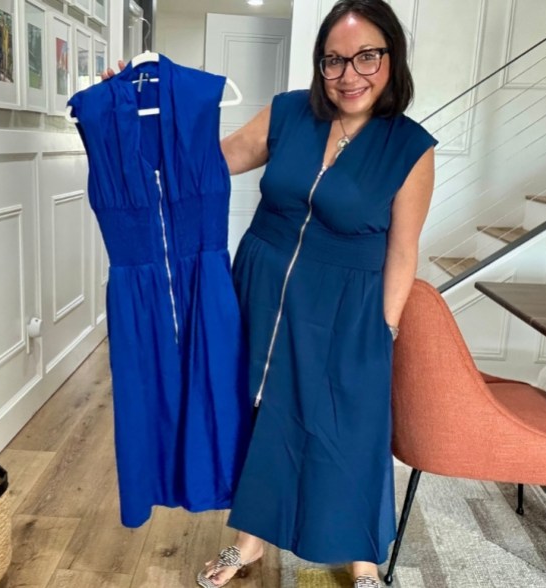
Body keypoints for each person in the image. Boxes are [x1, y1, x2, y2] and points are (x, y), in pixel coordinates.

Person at [102, 1, 436, 586]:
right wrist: (137, 112)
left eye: (366, 57)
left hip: (345, 308)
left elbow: (403, 250)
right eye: (333, 61)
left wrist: (382, 328)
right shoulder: (288, 114)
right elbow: (211, 160)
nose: (349, 75)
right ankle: (249, 542)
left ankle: (362, 560)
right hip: (257, 287)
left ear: (391, 59)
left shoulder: (410, 148)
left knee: (348, 432)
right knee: (260, 417)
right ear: (319, 64)